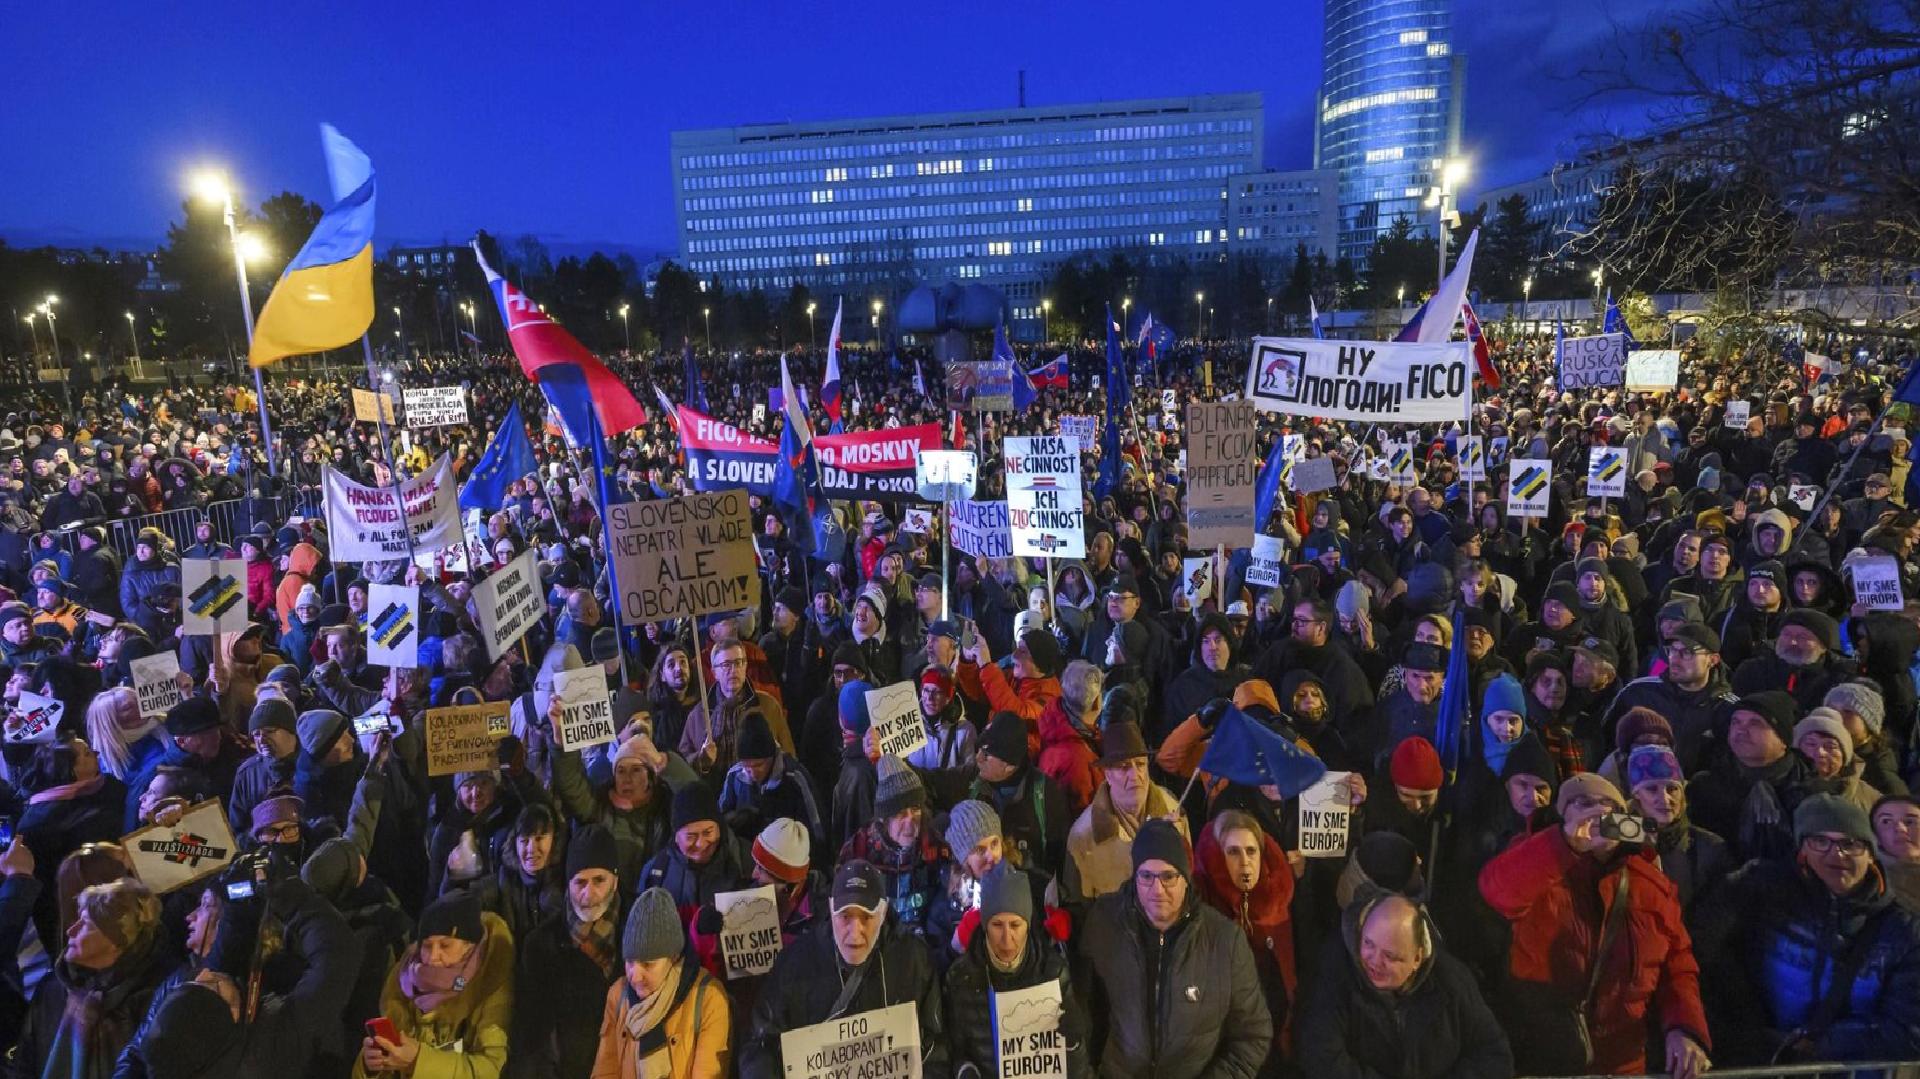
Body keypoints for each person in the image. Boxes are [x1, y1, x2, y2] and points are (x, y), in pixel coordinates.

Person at [1478, 773, 1711, 1078]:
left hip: (1622, 1064)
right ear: (1563, 815)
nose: (1600, 813)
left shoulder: (1651, 884)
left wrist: (1684, 1028)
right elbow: (1497, 891)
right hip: (1542, 1061)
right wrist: (1566, 844)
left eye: (1609, 805)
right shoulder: (1537, 860)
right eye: (1583, 803)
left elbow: (1677, 965)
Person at [1697, 794, 1920, 1064]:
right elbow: (1704, 956)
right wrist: (1746, 1032)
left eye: (1851, 843)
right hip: (1759, 1060)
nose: (1837, 853)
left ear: (1871, 853)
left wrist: (1812, 1045)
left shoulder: (1902, 930)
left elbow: (1908, 1027)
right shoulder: (1763, 895)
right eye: (1820, 841)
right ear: (1802, 851)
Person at [1078, 819, 1272, 1077]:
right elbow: (1080, 1015)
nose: (1156, 890)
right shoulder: (1104, 923)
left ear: (1185, 878)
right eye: (1146, 876)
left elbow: (1253, 1034)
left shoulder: (1225, 941)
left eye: (1168, 876)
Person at [741, 859, 949, 1078]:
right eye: (845, 916)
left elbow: (936, 1046)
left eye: (867, 917)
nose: (855, 932)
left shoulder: (913, 960)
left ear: (883, 911)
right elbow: (759, 1044)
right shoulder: (795, 963)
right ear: (831, 909)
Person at [1296, 891, 1514, 1079]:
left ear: (1417, 958)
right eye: (1368, 943)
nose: (1373, 961)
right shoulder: (1336, 973)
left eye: (1390, 956)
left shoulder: (1453, 982)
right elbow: (1321, 1057)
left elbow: (1494, 1055)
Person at [943, 860, 1091, 1079]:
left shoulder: (1053, 973)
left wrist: (1074, 1046)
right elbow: (953, 1049)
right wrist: (966, 1071)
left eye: (1015, 925)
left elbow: (1078, 1072)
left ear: (1027, 925)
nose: (1007, 938)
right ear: (985, 926)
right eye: (997, 925)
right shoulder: (960, 978)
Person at [12, 879, 172, 1079]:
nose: (71, 931)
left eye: (86, 924)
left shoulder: (154, 996)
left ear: (117, 939)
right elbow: (25, 1063)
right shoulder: (54, 987)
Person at [355, 892, 515, 1079]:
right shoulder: (403, 985)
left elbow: (492, 1069)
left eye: (445, 945)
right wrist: (370, 1066)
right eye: (427, 945)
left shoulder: (490, 986)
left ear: (470, 947)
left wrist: (418, 1062)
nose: (433, 957)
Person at [514, 825, 625, 1079]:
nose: (589, 893)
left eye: (599, 880)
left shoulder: (636, 927)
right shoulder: (541, 944)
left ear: (615, 881)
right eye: (580, 883)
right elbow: (533, 1035)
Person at [591, 886, 732, 1079]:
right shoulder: (618, 994)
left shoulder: (708, 998)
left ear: (673, 958)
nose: (635, 976)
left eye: (648, 965)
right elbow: (605, 1070)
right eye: (630, 962)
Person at [1193, 809, 1297, 1066]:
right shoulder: (1202, 908)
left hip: (1275, 1041)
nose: (1245, 861)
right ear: (1217, 857)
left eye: (1251, 851)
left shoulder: (1277, 903)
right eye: (1233, 852)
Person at [1062, 721, 1186, 905]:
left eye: (1140, 764)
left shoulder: (1174, 811)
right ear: (1108, 775)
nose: (1135, 775)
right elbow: (1079, 910)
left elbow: (1188, 883)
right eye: (1124, 767)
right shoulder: (1084, 836)